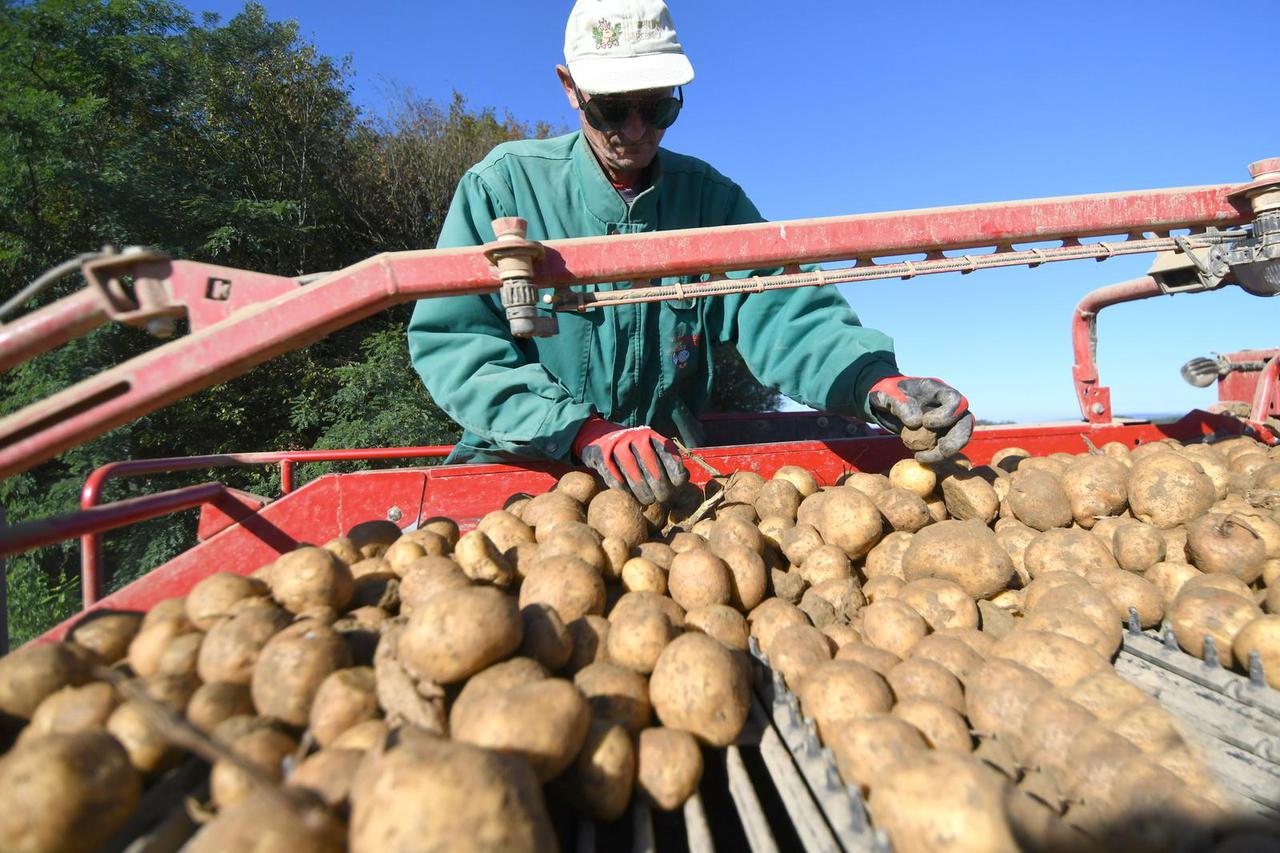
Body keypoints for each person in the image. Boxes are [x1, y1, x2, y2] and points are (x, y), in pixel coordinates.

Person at [408, 0, 973, 504]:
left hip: (670, 478)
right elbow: (458, 344)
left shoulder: (711, 200)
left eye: (655, 108)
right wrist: (581, 432)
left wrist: (871, 382)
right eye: (611, 107)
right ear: (569, 87)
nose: (634, 130)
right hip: (524, 468)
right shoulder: (503, 189)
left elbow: (783, 311)